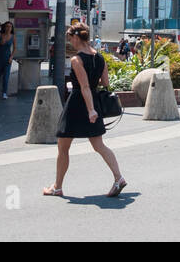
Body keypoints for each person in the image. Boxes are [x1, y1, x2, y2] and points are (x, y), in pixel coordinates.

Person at [43, 25, 126, 198]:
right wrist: (93, 107)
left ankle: (57, 187)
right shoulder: (100, 57)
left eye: (69, 38)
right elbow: (104, 82)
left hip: (78, 104)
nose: (69, 42)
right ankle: (118, 178)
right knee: (99, 145)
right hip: (93, 101)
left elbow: (84, 86)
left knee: (63, 146)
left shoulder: (76, 59)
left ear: (75, 38)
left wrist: (90, 110)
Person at [0, 22, 15, 98]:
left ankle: (4, 92)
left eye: (10, 27)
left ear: (12, 28)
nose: (8, 28)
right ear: (4, 27)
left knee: (6, 76)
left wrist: (11, 57)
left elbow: (15, 48)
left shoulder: (13, 36)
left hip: (7, 58)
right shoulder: (0, 35)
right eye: (7, 26)